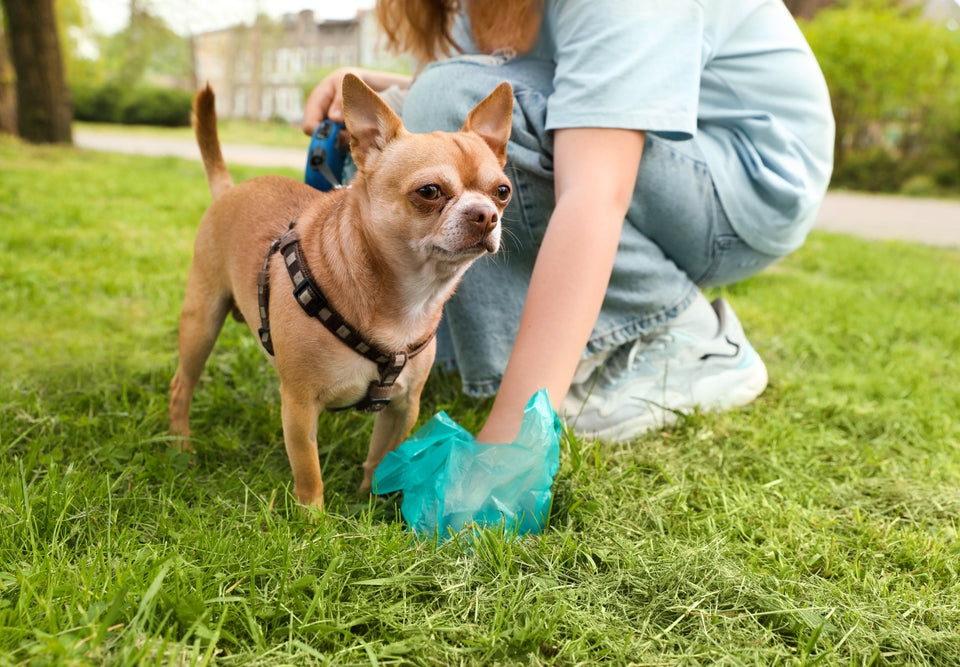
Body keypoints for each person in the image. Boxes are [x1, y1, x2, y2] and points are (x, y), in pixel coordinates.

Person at [302, 0, 835, 445]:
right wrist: (388, 90)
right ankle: (529, 345)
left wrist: (511, 439)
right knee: (418, 104)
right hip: (683, 171)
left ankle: (681, 333)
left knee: (449, 96)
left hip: (745, 187)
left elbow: (596, 190)